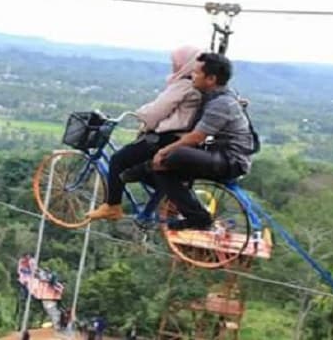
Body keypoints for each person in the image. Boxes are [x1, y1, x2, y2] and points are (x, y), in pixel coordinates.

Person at [87, 45, 203, 221]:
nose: (174, 65)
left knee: (118, 160)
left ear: (186, 63)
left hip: (166, 139)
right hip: (181, 140)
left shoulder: (183, 85)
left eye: (177, 62)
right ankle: (168, 197)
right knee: (147, 171)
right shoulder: (197, 87)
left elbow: (157, 111)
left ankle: (112, 206)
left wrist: (141, 115)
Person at [149, 52, 256, 230]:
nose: (193, 76)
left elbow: (197, 137)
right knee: (166, 165)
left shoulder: (221, 103)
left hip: (231, 160)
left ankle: (197, 217)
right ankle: (183, 206)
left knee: (169, 159)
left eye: (197, 73)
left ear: (211, 79)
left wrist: (163, 151)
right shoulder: (219, 95)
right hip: (222, 155)